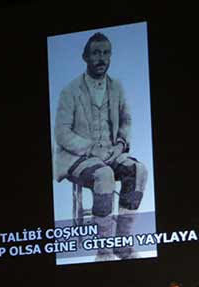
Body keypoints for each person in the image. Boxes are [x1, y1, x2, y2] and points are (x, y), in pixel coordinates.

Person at [53, 31, 148, 261]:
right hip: (78, 157)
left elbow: (126, 121)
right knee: (104, 175)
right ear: (85, 57)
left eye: (106, 53)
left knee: (139, 170)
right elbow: (62, 133)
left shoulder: (117, 88)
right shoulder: (70, 91)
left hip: (110, 152)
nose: (101, 58)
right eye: (96, 53)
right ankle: (103, 248)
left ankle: (122, 242)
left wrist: (120, 144)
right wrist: (91, 149)